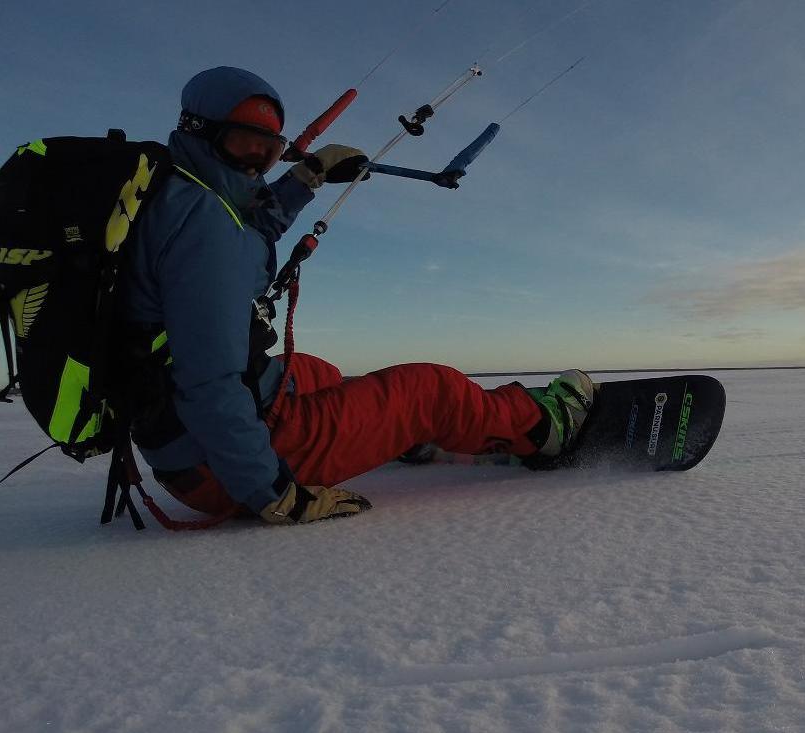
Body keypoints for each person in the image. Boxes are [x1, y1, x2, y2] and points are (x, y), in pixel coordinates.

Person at [119, 66, 593, 526]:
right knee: (432, 390)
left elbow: (247, 238)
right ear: (200, 131)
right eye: (245, 146)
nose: (255, 165)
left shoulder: (177, 192)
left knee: (317, 373)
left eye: (268, 153)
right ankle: (544, 428)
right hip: (219, 469)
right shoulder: (204, 230)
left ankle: (404, 437)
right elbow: (211, 386)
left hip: (184, 444)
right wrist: (273, 495)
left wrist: (308, 177)